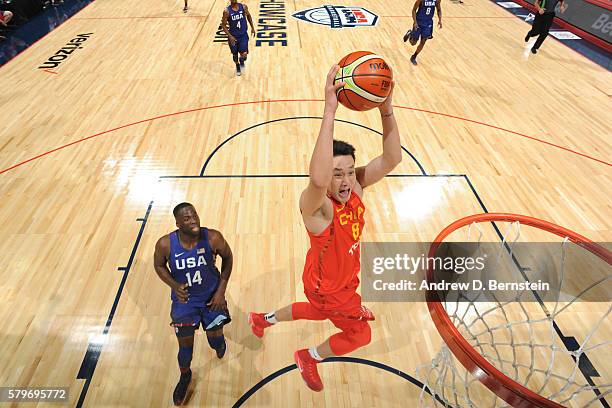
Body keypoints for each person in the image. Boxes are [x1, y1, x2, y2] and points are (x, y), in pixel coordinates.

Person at [248, 65, 402, 392]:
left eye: (349, 171)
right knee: (361, 334)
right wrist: (329, 110)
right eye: (337, 174)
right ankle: (310, 356)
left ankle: (261, 318)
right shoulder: (318, 207)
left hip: (333, 282)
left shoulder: (355, 187)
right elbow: (317, 179)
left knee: (317, 314)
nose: (345, 180)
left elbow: (391, 159)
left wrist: (386, 108)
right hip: (329, 288)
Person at [153, 203, 233, 406]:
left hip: (212, 299)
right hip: (185, 304)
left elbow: (228, 258)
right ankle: (185, 376)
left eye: (194, 215)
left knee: (215, 341)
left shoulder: (213, 237)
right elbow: (159, 265)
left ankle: (219, 343)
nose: (194, 220)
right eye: (187, 219)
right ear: (178, 223)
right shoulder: (165, 244)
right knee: (185, 350)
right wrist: (173, 284)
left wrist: (221, 291)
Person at [221, 0, 255, 76]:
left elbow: (249, 16)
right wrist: (230, 36)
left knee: (244, 55)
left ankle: (241, 60)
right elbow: (223, 25)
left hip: (243, 35)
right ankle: (237, 65)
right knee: (235, 54)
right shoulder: (227, 11)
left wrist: (252, 27)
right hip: (233, 37)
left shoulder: (243, 7)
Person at [402, 0, 443, 65]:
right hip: (419, 22)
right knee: (413, 43)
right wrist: (415, 22)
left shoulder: (437, 0)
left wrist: (440, 20)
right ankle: (410, 34)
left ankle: (414, 56)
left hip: (428, 23)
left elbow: (439, 9)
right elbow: (414, 10)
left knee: (423, 41)